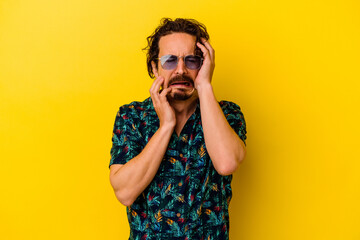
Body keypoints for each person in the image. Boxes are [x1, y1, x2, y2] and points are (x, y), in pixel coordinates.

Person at [109, 18, 247, 240]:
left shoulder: (227, 114)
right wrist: (166, 127)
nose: (181, 70)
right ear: (155, 67)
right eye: (170, 61)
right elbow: (125, 192)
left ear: (204, 65)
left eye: (191, 61)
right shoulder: (132, 116)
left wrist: (204, 86)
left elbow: (227, 163)